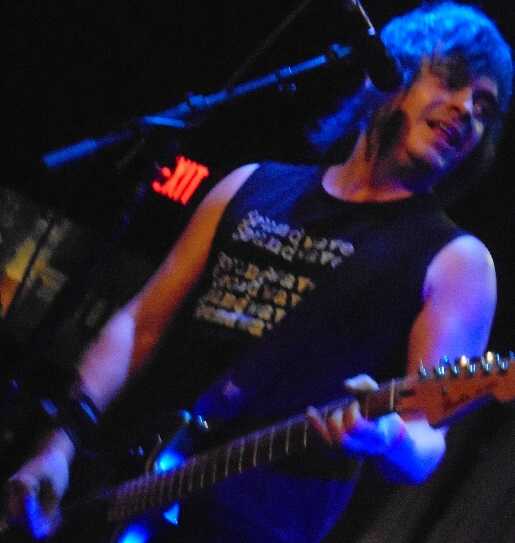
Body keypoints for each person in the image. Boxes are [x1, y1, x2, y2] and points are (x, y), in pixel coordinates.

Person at [4, 2, 513, 542]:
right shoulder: (250, 185)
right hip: (114, 487)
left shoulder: (457, 261)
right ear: (390, 70)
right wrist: (57, 447)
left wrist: (392, 439)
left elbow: (427, 440)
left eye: (484, 107)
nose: (467, 110)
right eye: (451, 81)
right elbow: (140, 324)